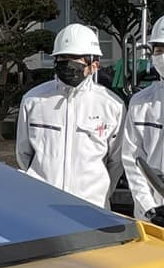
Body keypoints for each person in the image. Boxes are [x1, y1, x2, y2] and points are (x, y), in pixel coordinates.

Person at [16, 22, 124, 208]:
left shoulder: (111, 105)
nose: (68, 64)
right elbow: (23, 153)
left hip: (91, 206)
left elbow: (116, 162)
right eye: (63, 58)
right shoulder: (33, 100)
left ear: (94, 64)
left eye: (76, 58)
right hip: (42, 204)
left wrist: (100, 193)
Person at [122, 15, 164, 224]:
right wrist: (149, 208)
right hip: (150, 217)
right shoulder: (140, 102)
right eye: (159, 50)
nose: (163, 56)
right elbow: (132, 160)